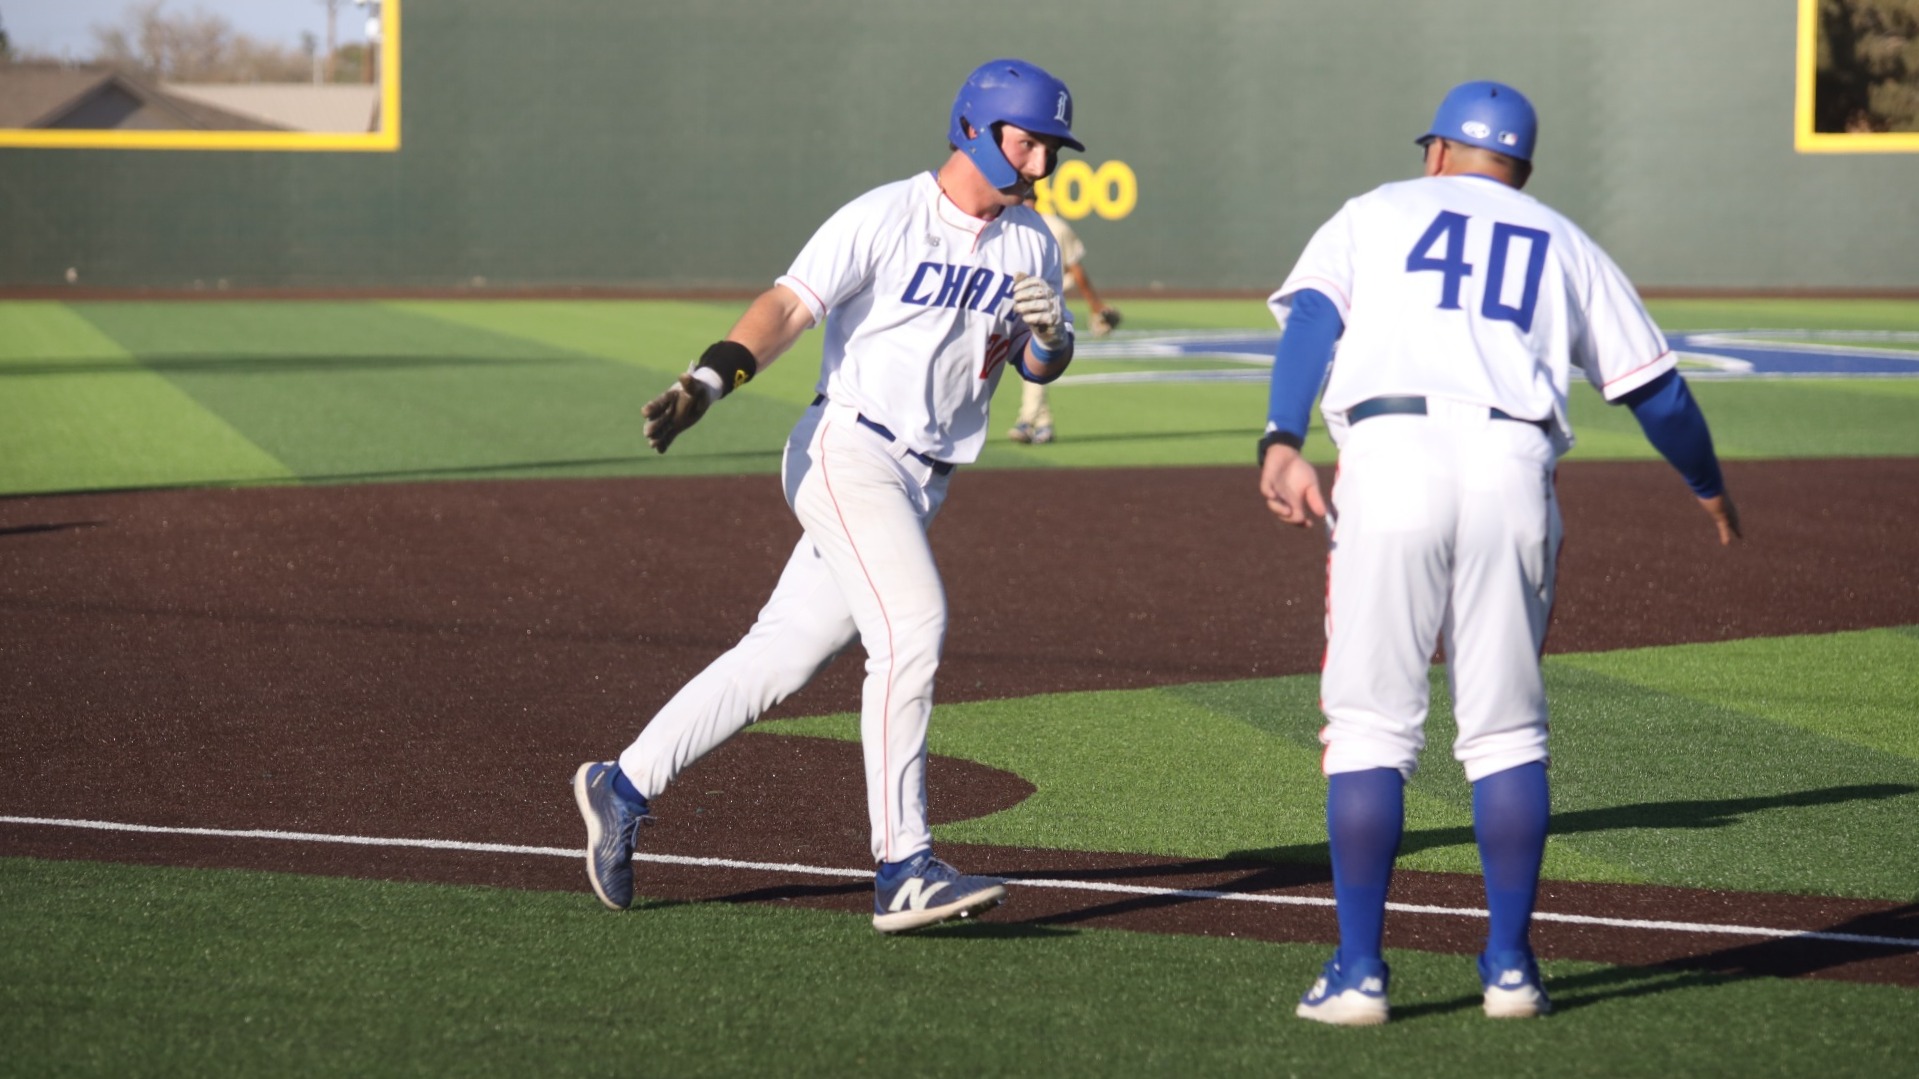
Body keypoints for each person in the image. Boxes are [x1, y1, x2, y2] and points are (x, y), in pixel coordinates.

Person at [1257, 80, 1741, 1025]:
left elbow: (1313, 319)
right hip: (1511, 464)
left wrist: (1279, 435)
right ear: (1518, 168)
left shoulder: (1374, 210)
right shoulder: (1561, 238)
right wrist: (1708, 486)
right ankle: (1511, 969)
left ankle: (1359, 973)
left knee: (1369, 728)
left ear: (1437, 151)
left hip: (1389, 456)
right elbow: (1659, 394)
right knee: (1506, 731)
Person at [572, 58, 1084, 933]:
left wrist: (1051, 333)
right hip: (848, 451)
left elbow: (1036, 364)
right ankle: (904, 865)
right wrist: (705, 382)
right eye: (1027, 141)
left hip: (924, 479)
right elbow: (786, 308)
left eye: (1048, 148)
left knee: (781, 654)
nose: (1040, 163)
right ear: (975, 129)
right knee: (912, 626)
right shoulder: (885, 215)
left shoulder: (1030, 243)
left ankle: (620, 783)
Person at [1008, 200, 1121, 444]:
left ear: (1034, 199)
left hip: (1048, 302)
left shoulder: (1054, 227)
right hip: (1018, 299)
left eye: (1028, 196)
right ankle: (1043, 424)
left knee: (1036, 356)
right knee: (1027, 362)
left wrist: (1094, 306)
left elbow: (1075, 269)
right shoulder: (1009, 225)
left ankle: (1026, 420)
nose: (1024, 201)